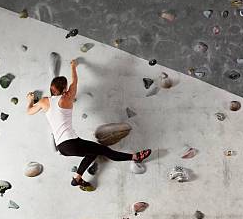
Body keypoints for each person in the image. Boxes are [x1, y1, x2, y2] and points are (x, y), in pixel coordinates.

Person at [26, 59, 151, 189]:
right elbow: (75, 81)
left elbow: (29, 111)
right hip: (71, 142)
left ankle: (77, 178)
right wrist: (73, 66)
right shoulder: (66, 98)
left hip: (62, 148)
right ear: (64, 89)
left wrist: (30, 100)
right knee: (104, 150)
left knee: (92, 152)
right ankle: (135, 157)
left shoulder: (44, 102)